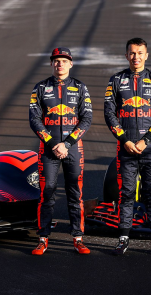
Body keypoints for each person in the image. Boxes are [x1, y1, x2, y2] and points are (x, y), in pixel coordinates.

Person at [104, 38, 151, 256]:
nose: (136, 57)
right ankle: (123, 238)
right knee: (126, 192)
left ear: (146, 55)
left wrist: (145, 139)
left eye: (140, 53)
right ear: (126, 55)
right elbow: (109, 114)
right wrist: (125, 140)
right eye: (132, 53)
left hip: (149, 148)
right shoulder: (116, 80)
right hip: (125, 147)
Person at [29, 47, 93, 255]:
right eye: (56, 61)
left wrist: (67, 144)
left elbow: (87, 118)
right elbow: (34, 119)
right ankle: (43, 238)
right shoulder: (40, 87)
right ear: (51, 63)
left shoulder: (80, 87)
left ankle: (78, 238)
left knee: (75, 193)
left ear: (71, 64)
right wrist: (51, 143)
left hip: (73, 148)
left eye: (64, 61)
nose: (60, 64)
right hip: (48, 148)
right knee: (47, 193)